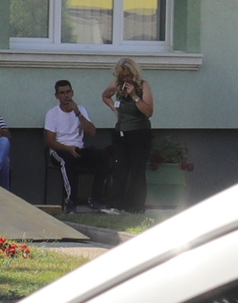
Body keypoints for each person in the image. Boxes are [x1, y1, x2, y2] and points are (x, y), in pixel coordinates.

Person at [97, 57, 155, 211]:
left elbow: (149, 112)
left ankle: (135, 207)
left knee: (137, 171)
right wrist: (114, 109)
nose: (125, 79)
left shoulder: (143, 86)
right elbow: (105, 96)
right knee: (119, 169)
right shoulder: (117, 85)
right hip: (121, 132)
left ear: (134, 74)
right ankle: (115, 205)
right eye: (122, 76)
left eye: (128, 75)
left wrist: (135, 96)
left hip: (139, 133)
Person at [41, 78, 91, 208]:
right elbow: (50, 141)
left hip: (78, 148)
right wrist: (68, 149)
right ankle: (71, 201)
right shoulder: (52, 114)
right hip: (60, 150)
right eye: (62, 93)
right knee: (67, 161)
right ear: (57, 96)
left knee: (102, 158)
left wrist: (78, 112)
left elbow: (92, 132)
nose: (66, 96)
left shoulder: (81, 110)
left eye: (68, 92)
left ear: (72, 93)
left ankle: (96, 199)